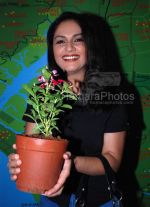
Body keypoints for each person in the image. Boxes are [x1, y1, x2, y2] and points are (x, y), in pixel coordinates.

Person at [8, 11, 128, 207]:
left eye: (78, 40)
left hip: (97, 199)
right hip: (53, 199)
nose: (68, 48)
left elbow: (112, 159)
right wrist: (20, 161)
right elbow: (31, 142)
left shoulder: (114, 90)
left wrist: (68, 163)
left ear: (90, 45)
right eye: (60, 41)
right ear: (53, 49)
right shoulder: (43, 92)